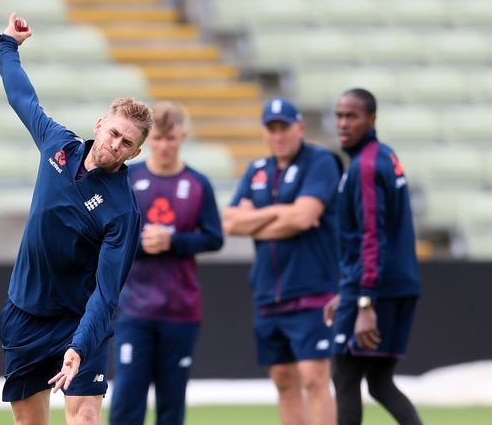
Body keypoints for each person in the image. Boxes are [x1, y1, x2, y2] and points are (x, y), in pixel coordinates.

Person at [0, 13, 154, 425]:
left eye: (127, 143)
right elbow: (22, 98)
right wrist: (8, 44)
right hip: (25, 311)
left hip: (80, 322)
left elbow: (107, 292)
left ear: (135, 153)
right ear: (100, 124)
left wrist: (80, 346)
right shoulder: (58, 145)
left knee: (84, 417)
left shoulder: (123, 212)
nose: (115, 144)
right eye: (113, 133)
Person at [222, 98, 340, 425]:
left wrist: (256, 220)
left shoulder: (320, 161)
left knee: (314, 377)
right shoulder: (257, 170)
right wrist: (279, 213)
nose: (278, 135)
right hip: (268, 291)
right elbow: (230, 223)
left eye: (284, 128)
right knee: (283, 380)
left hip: (311, 288)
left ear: (299, 127)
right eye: (271, 128)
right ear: (264, 132)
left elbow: (303, 217)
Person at [109, 101, 224, 425]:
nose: (163, 146)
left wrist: (172, 241)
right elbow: (109, 234)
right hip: (134, 308)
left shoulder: (198, 183)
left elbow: (214, 238)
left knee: (172, 405)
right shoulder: (128, 178)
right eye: (158, 139)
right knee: (126, 401)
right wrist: (142, 243)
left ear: (182, 137)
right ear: (147, 141)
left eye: (170, 138)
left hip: (180, 309)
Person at [323, 89, 422, 425]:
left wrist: (364, 301)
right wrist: (347, 291)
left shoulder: (365, 166)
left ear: (372, 119)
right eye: (339, 115)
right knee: (379, 382)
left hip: (375, 288)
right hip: (394, 283)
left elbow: (372, 234)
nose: (343, 123)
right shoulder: (385, 155)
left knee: (345, 375)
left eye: (352, 116)